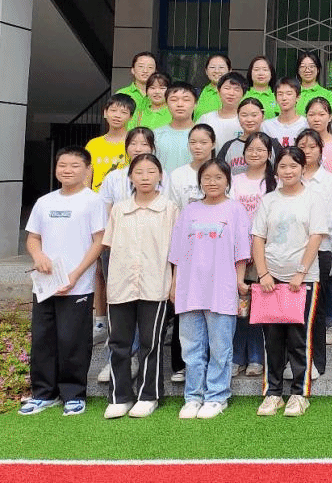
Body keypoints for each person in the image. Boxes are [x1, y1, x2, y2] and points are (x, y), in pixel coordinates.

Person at [20, 146, 105, 417]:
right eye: (62, 165)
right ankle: (43, 394)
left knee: (73, 341)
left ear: (87, 169)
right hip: (45, 284)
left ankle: (73, 395)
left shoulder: (93, 201)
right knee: (43, 340)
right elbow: (33, 238)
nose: (67, 170)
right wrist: (38, 256)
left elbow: (99, 241)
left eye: (74, 165)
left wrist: (76, 274)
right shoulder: (45, 202)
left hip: (77, 285)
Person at [170, 158, 250, 419]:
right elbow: (177, 252)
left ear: (227, 181)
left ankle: (217, 396)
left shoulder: (236, 210)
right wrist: (174, 284)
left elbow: (242, 252)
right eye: (206, 178)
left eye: (218, 177)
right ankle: (193, 397)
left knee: (220, 347)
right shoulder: (189, 211)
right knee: (191, 347)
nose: (212, 182)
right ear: (200, 182)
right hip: (189, 287)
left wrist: (239, 283)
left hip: (222, 286)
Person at [251, 147, 328, 418]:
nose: (288, 171)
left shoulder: (313, 199)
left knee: (298, 337)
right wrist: (263, 274)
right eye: (283, 166)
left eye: (293, 166)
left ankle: (299, 393)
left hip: (302, 279)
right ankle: (273, 393)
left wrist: (300, 272)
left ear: (303, 169)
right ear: (276, 170)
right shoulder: (269, 200)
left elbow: (316, 237)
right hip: (270, 279)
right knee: (272, 338)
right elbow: (258, 237)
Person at [102, 153, 177, 419]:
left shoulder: (170, 209)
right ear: (130, 177)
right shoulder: (120, 209)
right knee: (119, 343)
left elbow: (177, 253)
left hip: (155, 283)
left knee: (150, 342)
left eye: (151, 172)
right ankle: (119, 396)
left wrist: (174, 284)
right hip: (121, 284)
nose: (145, 177)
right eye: (139, 172)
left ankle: (148, 396)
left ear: (160, 176)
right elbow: (108, 247)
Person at [229, 132, 277, 377]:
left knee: (260, 305)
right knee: (240, 306)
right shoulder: (235, 181)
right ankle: (237, 356)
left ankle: (257, 357)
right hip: (238, 252)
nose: (255, 153)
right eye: (251, 149)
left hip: (265, 252)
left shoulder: (275, 182)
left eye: (260, 150)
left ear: (269, 154)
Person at [296, 129, 332, 380]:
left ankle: (316, 362)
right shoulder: (289, 175)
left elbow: (327, 217)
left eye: (312, 146)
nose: (307, 151)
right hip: (291, 251)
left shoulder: (328, 180)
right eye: (302, 146)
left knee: (317, 307)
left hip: (320, 250)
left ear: (320, 150)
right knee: (293, 308)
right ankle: (295, 360)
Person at [86, 93, 135, 191]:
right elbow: (86, 178)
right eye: (113, 110)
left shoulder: (134, 143)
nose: (117, 116)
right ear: (105, 113)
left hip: (125, 197)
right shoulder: (93, 144)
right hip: (98, 198)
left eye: (123, 112)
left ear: (131, 117)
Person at [217, 97, 275, 175]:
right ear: (238, 117)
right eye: (244, 115)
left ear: (263, 116)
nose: (249, 120)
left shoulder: (273, 144)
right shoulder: (228, 147)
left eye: (254, 115)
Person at [154, 82, 198, 175]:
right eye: (174, 100)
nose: (180, 104)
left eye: (186, 100)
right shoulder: (156, 135)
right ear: (166, 104)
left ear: (195, 104)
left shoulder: (204, 135)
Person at [168, 124, 216, 210]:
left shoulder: (222, 173)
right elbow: (172, 209)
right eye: (193, 142)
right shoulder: (177, 175)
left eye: (203, 143)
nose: (197, 147)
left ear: (213, 145)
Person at [198, 72, 247, 147]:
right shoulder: (206, 119)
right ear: (219, 91)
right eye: (227, 88)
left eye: (236, 90)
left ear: (243, 94)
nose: (231, 93)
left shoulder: (247, 121)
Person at [262, 77, 309, 148]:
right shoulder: (266, 126)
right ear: (275, 98)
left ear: (298, 97)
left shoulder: (306, 124)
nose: (284, 98)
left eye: (289, 94)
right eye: (280, 94)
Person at [116, 51, 158, 116]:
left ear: (155, 71)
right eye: (141, 66)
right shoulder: (122, 93)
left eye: (150, 67)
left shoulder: (162, 95)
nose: (145, 71)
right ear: (133, 70)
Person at [295, 50, 332, 116]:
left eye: (311, 66)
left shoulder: (328, 95)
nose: (307, 70)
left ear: (318, 69)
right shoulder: (291, 94)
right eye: (303, 66)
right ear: (298, 70)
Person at [194, 54, 231, 119]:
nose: (216, 71)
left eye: (221, 67)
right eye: (212, 67)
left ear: (229, 70)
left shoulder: (239, 93)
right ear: (206, 71)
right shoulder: (197, 93)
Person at [243, 55, 279, 120]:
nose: (261, 73)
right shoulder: (242, 94)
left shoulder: (278, 95)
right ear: (250, 73)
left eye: (265, 70)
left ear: (271, 74)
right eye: (256, 70)